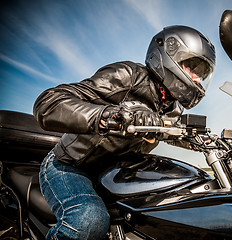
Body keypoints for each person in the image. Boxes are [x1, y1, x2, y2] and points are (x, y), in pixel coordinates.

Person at [33, 25, 215, 240]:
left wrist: (210, 142)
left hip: (117, 173)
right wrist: (110, 115)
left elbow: (169, 131)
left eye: (202, 73)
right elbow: (49, 103)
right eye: (192, 67)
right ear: (169, 55)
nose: (197, 79)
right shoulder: (128, 76)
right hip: (70, 166)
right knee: (88, 220)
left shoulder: (173, 106)